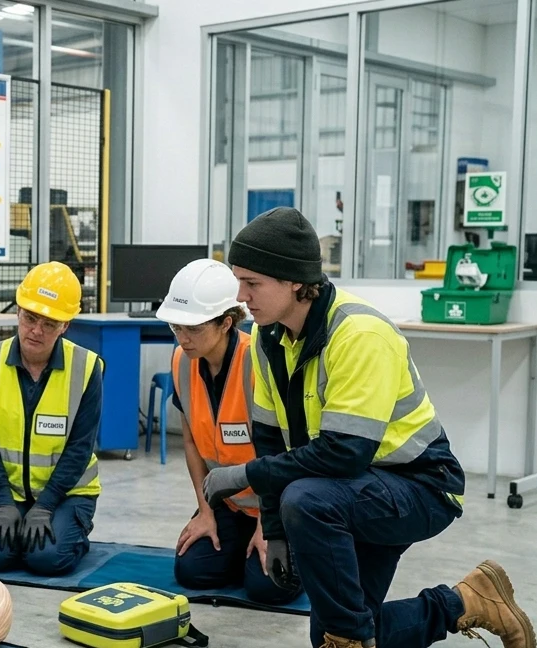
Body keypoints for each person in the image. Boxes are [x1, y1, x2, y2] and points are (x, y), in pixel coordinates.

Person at [203, 206, 535, 648]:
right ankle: (467, 602)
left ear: (295, 281)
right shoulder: (268, 338)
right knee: (339, 634)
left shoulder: (359, 334)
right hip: (352, 491)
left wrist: (242, 476)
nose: (241, 295)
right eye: (239, 280)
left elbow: (343, 453)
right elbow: (268, 439)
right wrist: (275, 531)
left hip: (420, 486)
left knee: (306, 500)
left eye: (252, 282)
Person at [157, 258, 301, 606]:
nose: (183, 338)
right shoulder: (181, 361)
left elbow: (284, 453)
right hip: (229, 502)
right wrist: (205, 511)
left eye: (193, 328)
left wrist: (269, 528)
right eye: (177, 328)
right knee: (192, 571)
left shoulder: (260, 362)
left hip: (276, 506)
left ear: (226, 323)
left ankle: (301, 549)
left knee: (270, 588)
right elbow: (190, 441)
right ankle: (243, 552)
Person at [0, 262, 102, 576]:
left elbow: (80, 448)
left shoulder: (86, 368)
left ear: (65, 325)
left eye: (50, 323)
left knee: (47, 559)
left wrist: (47, 504)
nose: (36, 330)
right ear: (18, 313)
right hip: (7, 490)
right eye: (30, 318)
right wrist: (1, 500)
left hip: (67, 493)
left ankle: (72, 534)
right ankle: (16, 528)